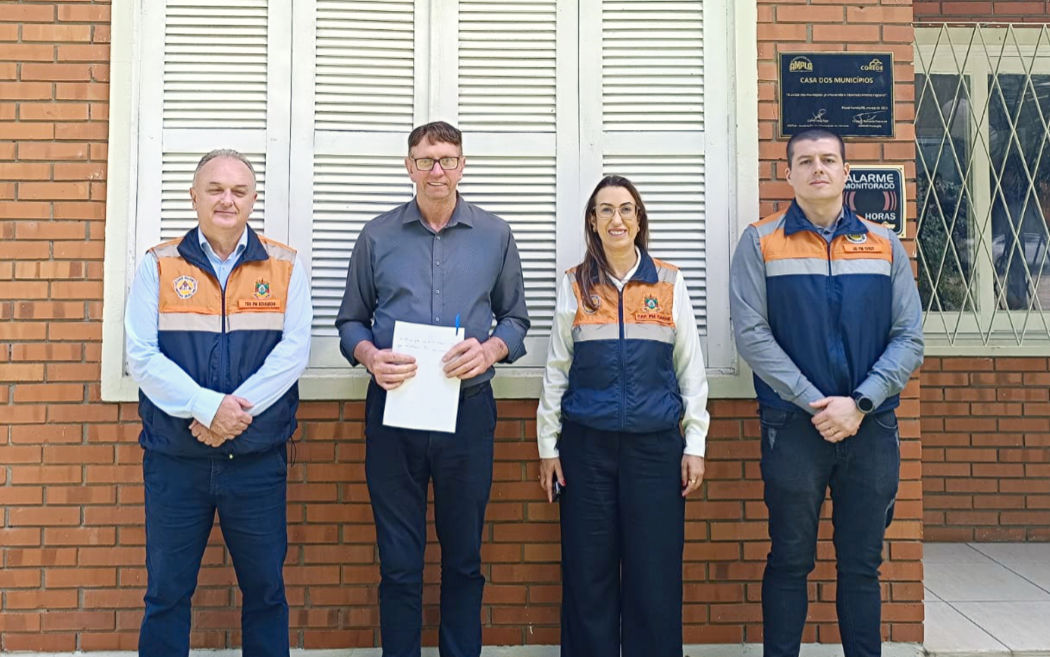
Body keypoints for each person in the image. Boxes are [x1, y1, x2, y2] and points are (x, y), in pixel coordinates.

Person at [335, 121, 530, 657]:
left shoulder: (495, 234)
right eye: (425, 160)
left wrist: (490, 350)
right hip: (394, 408)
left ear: (462, 165)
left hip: (467, 411)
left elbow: (516, 319)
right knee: (399, 563)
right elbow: (350, 321)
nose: (436, 170)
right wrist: (369, 356)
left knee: (464, 559)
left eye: (447, 159)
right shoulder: (377, 236)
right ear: (409, 167)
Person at [729, 128, 923, 657]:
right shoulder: (760, 241)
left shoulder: (884, 244)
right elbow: (751, 334)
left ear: (845, 172)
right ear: (788, 173)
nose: (818, 168)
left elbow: (909, 336)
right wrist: (816, 402)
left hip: (871, 426)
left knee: (862, 564)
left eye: (829, 160)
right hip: (794, 427)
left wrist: (858, 404)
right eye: (806, 161)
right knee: (790, 560)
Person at [125, 149, 312, 657]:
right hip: (175, 462)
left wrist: (230, 414)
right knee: (166, 595)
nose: (227, 200)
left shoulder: (284, 265)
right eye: (215, 189)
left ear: (253, 199)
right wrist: (207, 407)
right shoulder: (159, 265)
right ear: (194, 197)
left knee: (266, 594)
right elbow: (141, 356)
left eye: (238, 191)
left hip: (256, 462)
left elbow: (293, 353)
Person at [536, 175, 710, 657]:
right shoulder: (575, 284)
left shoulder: (668, 282)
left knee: (654, 576)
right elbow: (556, 370)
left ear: (639, 220)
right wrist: (548, 446)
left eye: (626, 209)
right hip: (586, 450)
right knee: (587, 575)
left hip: (655, 450)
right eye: (606, 210)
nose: (617, 219)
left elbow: (691, 370)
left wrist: (695, 443)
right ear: (592, 222)